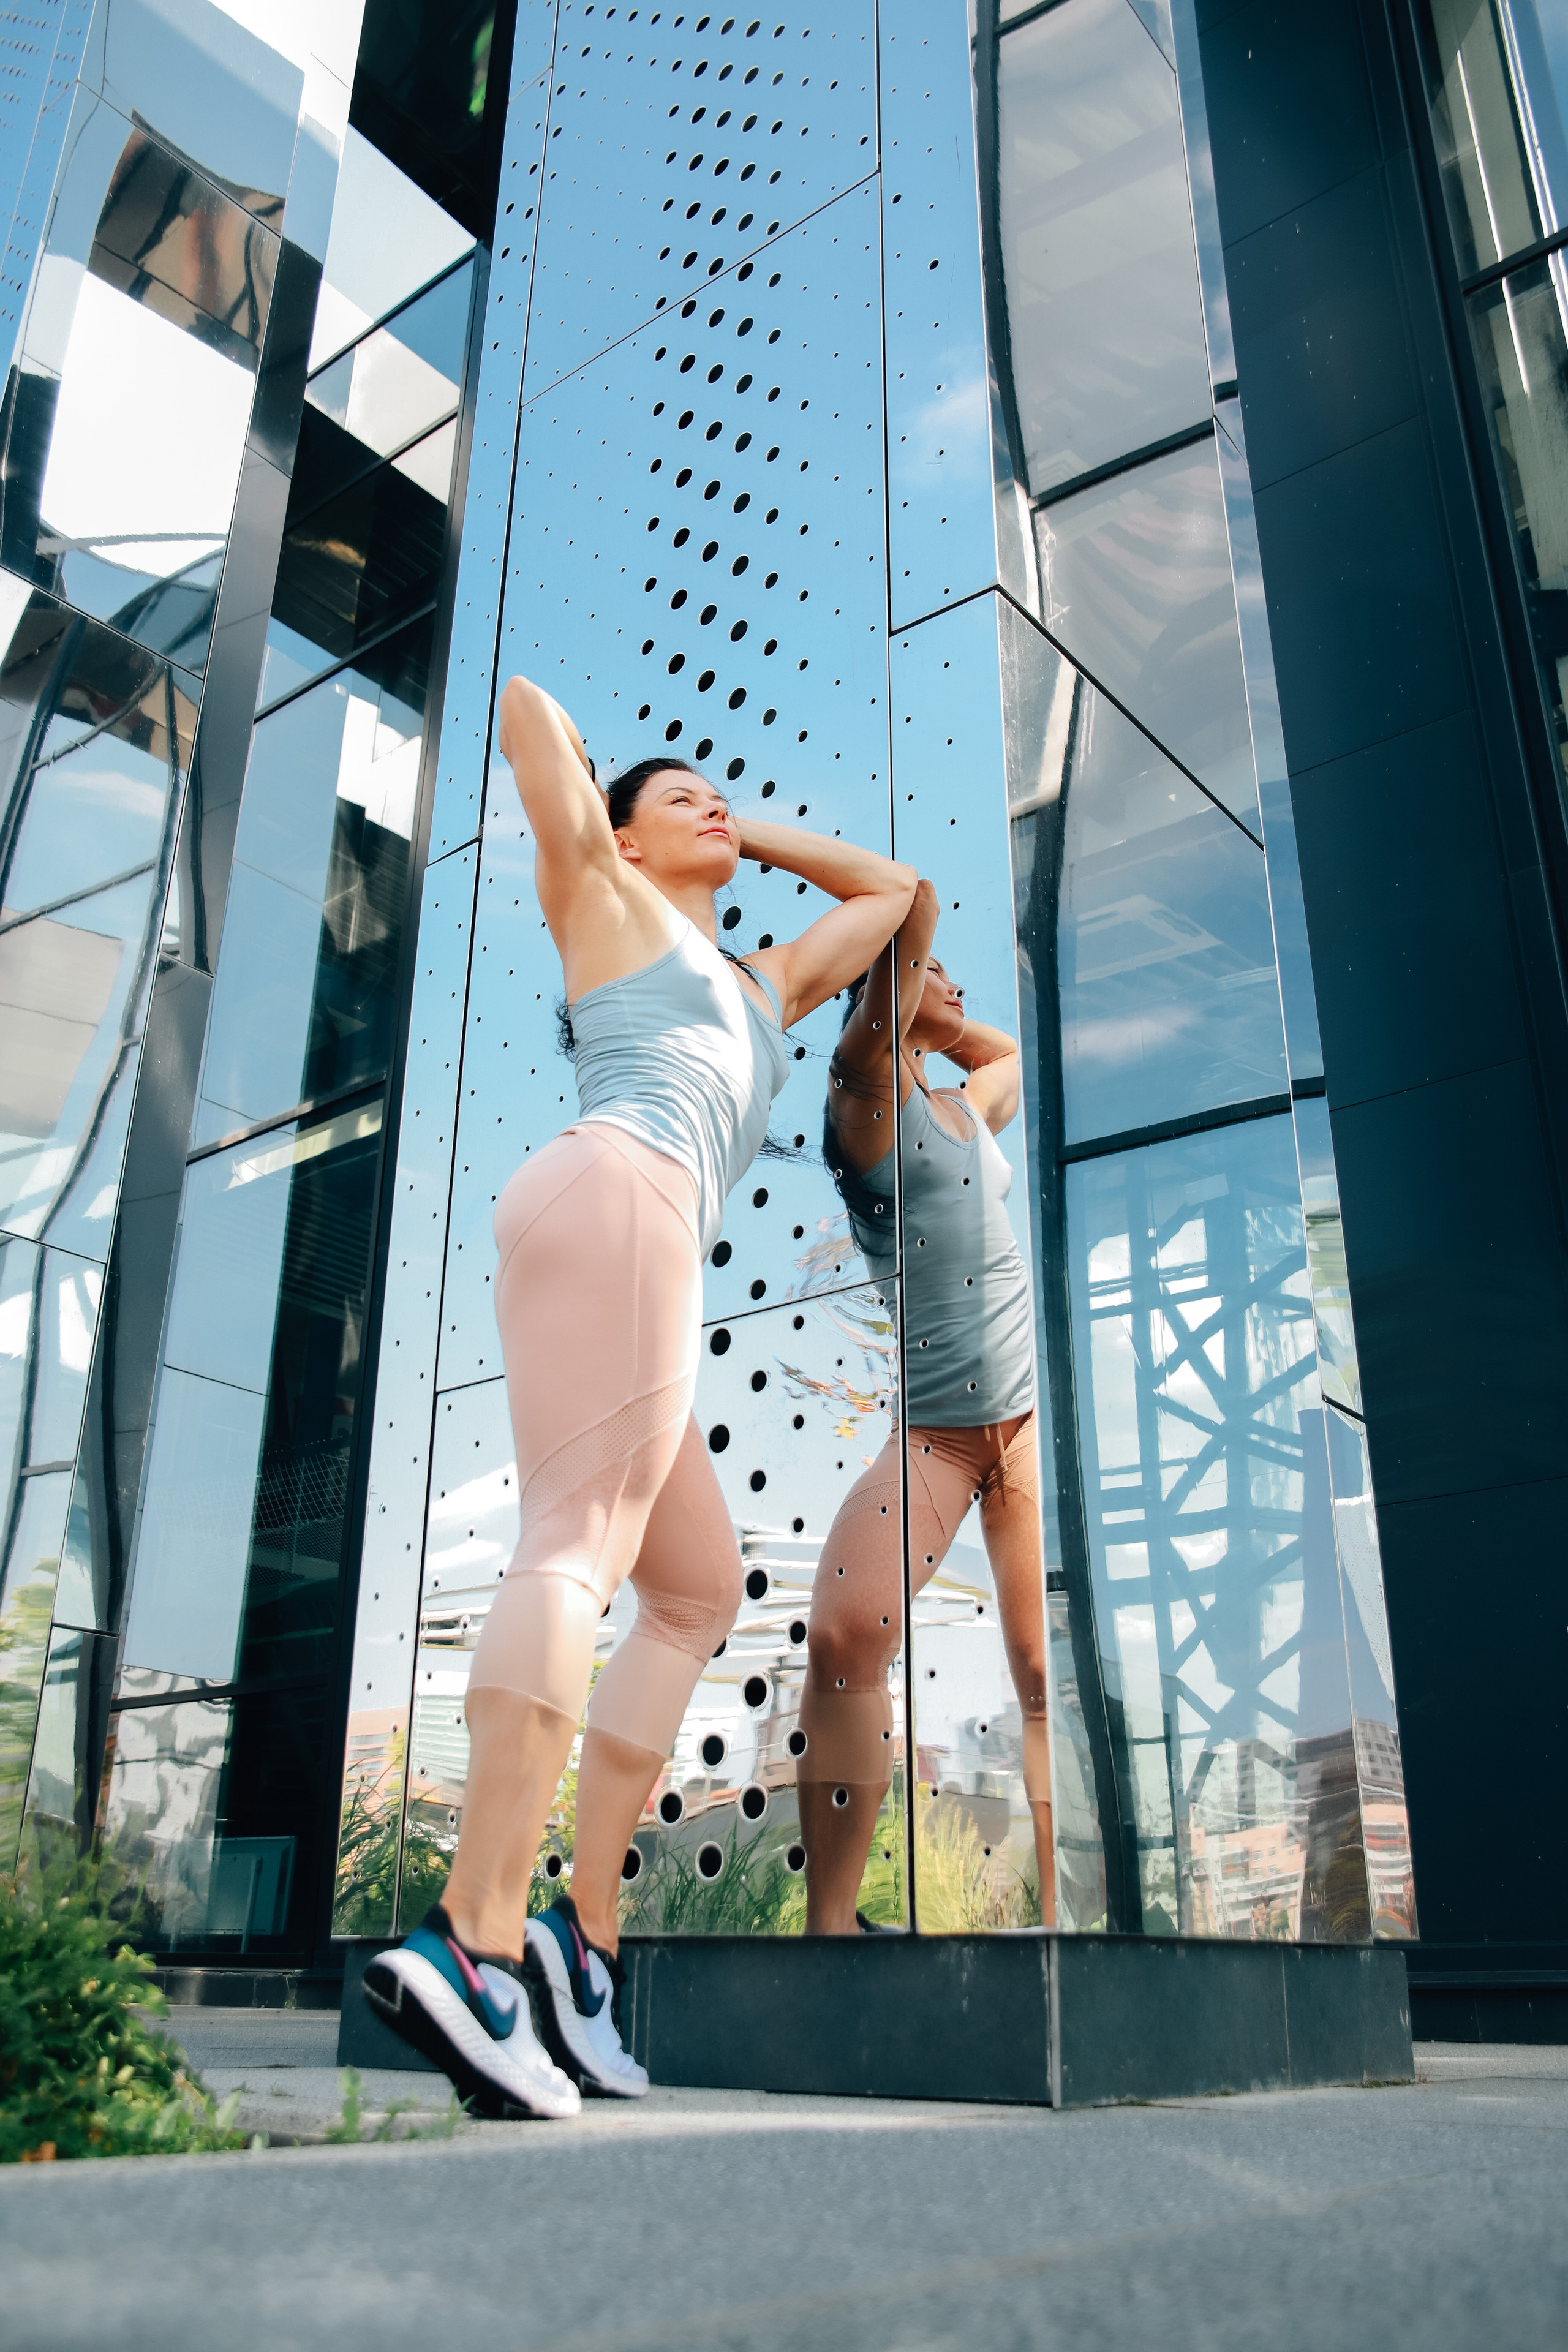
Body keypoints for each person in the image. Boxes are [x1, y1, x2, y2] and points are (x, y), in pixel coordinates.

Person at [365, 676, 917, 2116]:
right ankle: (475, 1939)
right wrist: (614, 821)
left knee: (693, 1587)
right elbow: (522, 710)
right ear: (623, 833)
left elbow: (896, 894)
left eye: (716, 794)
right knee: (577, 1538)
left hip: (635, 1230)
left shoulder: (760, 983)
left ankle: (582, 1937)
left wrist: (743, 835)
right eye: (681, 797)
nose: (709, 804)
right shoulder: (601, 903)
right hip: (621, 1192)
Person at [799, 878, 1055, 1934]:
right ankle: (831, 1927)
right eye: (932, 977)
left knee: (1043, 1667)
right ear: (890, 996)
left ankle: (1058, 1919)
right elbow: (918, 909)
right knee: (848, 1629)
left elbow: (1000, 1056)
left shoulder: (961, 1108)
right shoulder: (865, 1090)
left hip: (1027, 1421)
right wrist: (909, 984)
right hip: (940, 1435)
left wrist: (947, 1025)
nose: (949, 980)